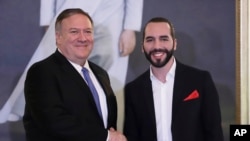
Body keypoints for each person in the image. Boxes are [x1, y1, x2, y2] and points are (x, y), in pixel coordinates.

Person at [0, 0, 143, 131]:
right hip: (70, 8)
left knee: (105, 77)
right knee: (54, 68)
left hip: (111, 12)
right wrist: (47, 20)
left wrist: (130, 28)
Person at [23, 8, 127, 141]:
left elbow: (106, 122)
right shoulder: (42, 72)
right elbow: (54, 122)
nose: (83, 38)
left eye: (87, 32)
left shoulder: (101, 74)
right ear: (58, 37)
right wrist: (106, 137)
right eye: (74, 32)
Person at [123, 17, 224, 141]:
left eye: (164, 39)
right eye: (150, 40)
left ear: (175, 44)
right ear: (142, 47)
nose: (157, 46)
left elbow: (214, 133)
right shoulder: (133, 90)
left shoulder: (200, 81)